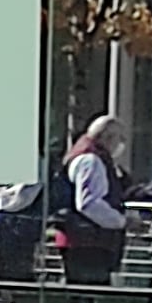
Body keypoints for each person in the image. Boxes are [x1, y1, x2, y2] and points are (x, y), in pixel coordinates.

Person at [54, 114, 135, 287]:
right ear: (108, 137)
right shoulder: (91, 160)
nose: (121, 145)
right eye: (120, 138)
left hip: (82, 239)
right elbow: (88, 203)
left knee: (81, 295)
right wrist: (121, 221)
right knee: (91, 296)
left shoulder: (83, 153)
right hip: (88, 242)